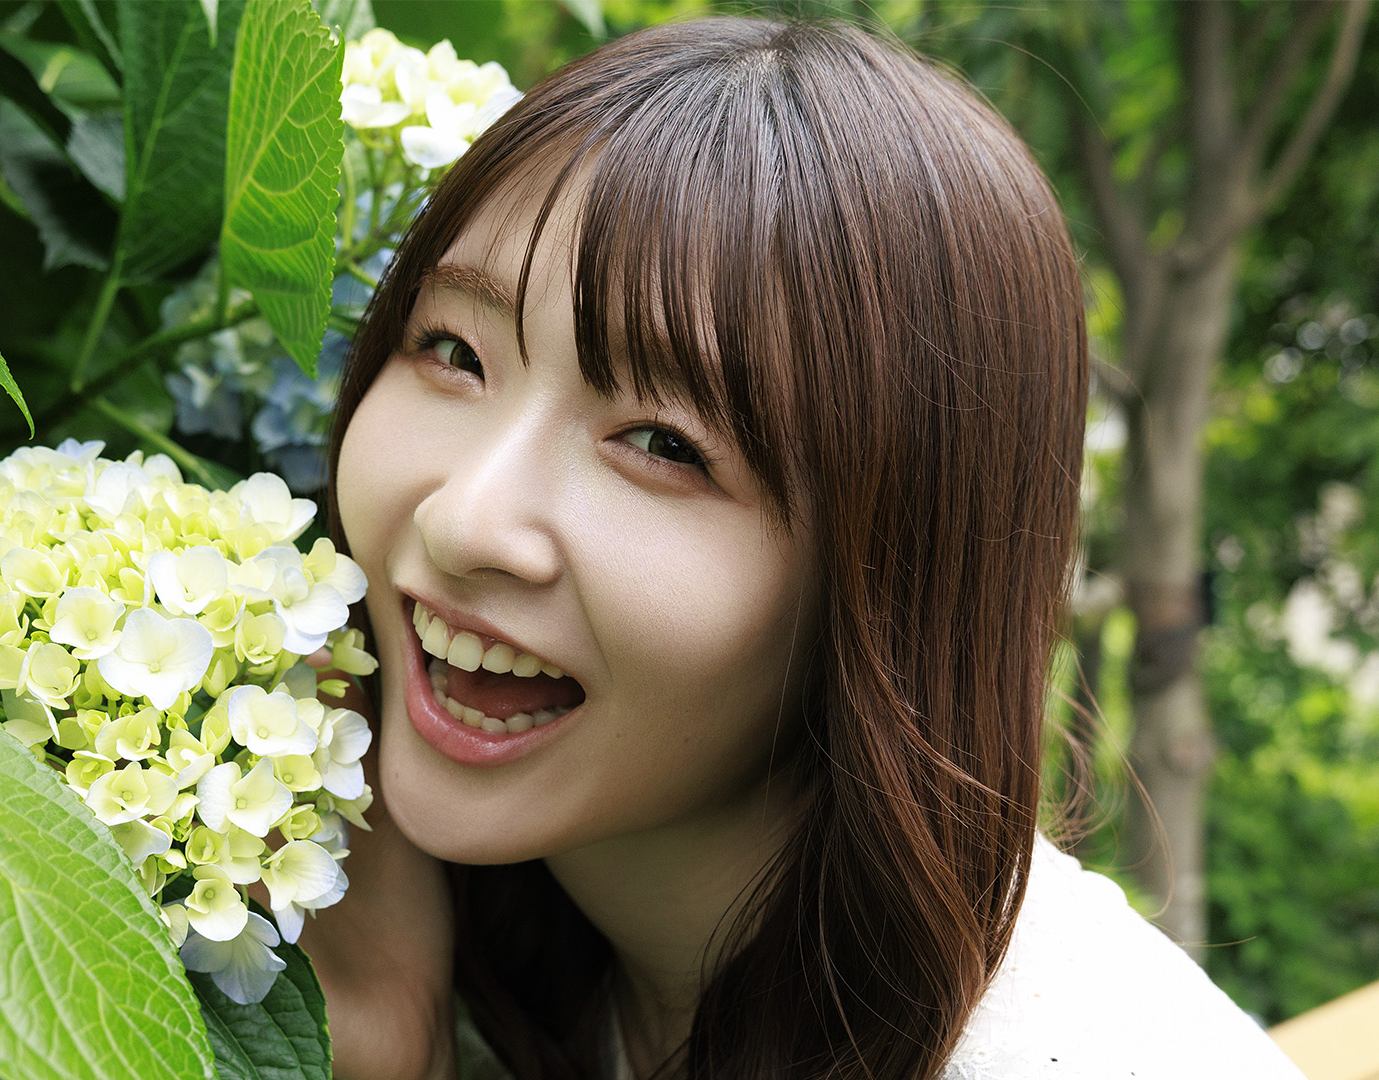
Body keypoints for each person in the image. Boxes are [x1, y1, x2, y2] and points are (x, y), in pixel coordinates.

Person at [300, 17, 1306, 1080]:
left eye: (664, 444)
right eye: (454, 351)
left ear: (894, 580)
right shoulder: (507, 951)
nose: (465, 520)